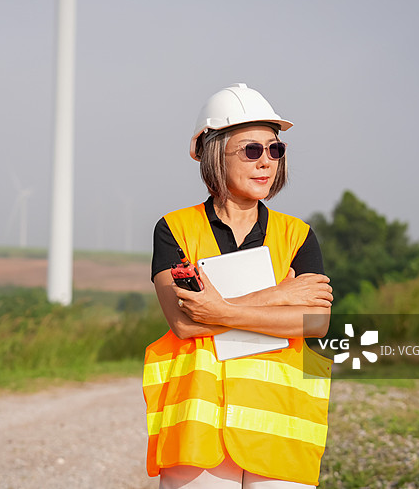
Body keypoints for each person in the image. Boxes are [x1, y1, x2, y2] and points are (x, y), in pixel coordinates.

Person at [143, 83, 334, 488]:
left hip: (281, 428)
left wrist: (222, 311)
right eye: (252, 150)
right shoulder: (175, 229)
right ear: (214, 153)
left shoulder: (298, 235)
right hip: (200, 440)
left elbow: (315, 323)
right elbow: (186, 323)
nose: (267, 161)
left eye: (275, 150)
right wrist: (279, 296)